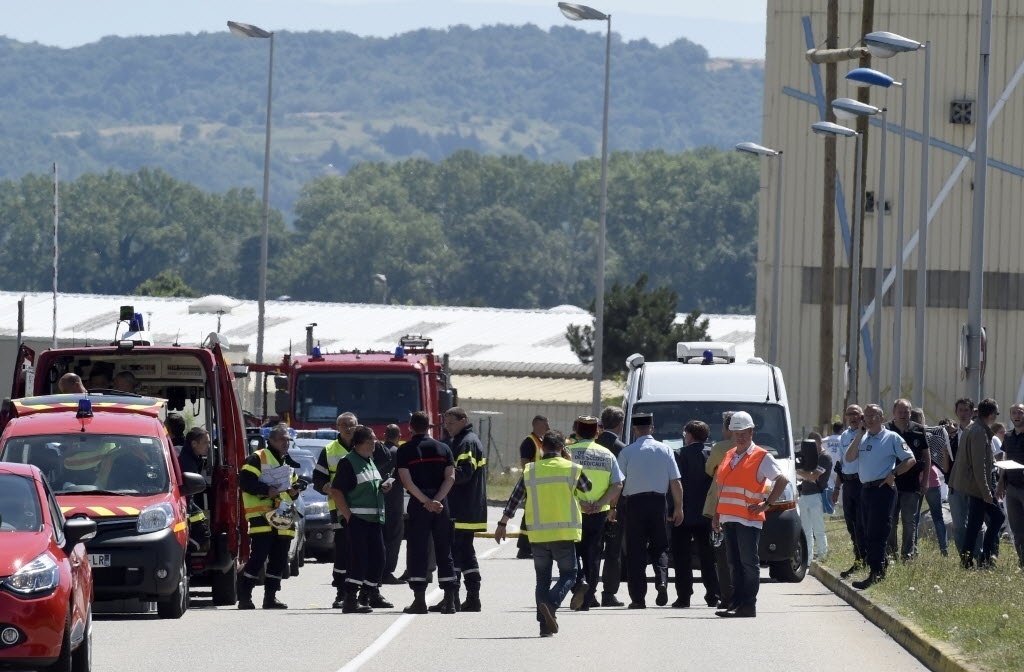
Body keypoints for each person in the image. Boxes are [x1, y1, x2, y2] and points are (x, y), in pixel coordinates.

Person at [494, 430, 592, 637]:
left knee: (542, 579)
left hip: (537, 535)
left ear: (542, 448)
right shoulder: (571, 468)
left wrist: (503, 523)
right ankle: (551, 604)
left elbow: (515, 498)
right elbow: (587, 487)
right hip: (563, 533)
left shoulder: (531, 470)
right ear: (562, 447)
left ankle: (544, 627)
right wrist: (570, 460)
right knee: (569, 574)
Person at [712, 411, 790, 617]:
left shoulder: (762, 456)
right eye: (737, 432)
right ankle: (736, 603)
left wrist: (767, 504)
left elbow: (782, 480)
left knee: (748, 564)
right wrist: (717, 514)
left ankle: (748, 605)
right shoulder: (729, 455)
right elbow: (722, 487)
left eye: (744, 432)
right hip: (728, 518)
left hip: (748, 519)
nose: (740, 436)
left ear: (752, 431)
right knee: (734, 565)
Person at [843, 405, 916, 589]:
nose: (867, 419)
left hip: (883, 489)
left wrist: (894, 473)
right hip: (865, 490)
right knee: (866, 530)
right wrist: (859, 434)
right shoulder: (863, 437)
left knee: (878, 531)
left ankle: (876, 572)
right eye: (865, 416)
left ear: (881, 417)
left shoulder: (891, 437)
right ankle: (877, 567)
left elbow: (910, 459)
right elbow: (849, 458)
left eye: (872, 416)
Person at [617, 412, 683, 609]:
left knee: (635, 551)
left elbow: (618, 483)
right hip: (658, 503)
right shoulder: (665, 450)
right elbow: (675, 481)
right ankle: (661, 581)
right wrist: (679, 508)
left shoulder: (627, 452)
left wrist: (612, 506)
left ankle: (638, 599)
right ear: (652, 429)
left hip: (635, 504)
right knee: (660, 546)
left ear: (635, 430)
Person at [397, 410, 457, 614]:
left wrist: (424, 501)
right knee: (444, 549)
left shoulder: (405, 450)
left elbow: (406, 480)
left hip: (419, 504)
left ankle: (419, 601)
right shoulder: (444, 448)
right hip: (441, 504)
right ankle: (449, 600)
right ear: (429, 427)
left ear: (410, 427)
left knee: (418, 550)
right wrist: (437, 500)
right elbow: (450, 478)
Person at [237, 423, 301, 610]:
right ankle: (245, 597)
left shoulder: (286, 462)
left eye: (288, 440)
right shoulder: (257, 458)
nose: (286, 443)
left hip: (282, 515)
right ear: (271, 440)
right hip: (261, 515)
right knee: (258, 557)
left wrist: (295, 492)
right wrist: (266, 490)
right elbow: (245, 482)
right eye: (282, 439)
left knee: (280, 558)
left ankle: (270, 597)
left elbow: (290, 490)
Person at [330, 425, 393, 613]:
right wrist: (349, 516)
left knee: (378, 559)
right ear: (364, 442)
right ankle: (350, 599)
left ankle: (366, 594)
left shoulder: (369, 461)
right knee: (358, 560)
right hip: (358, 520)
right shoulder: (348, 462)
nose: (376, 443)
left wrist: (382, 487)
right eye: (373, 439)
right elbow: (336, 491)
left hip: (374, 520)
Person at [567, 415, 623, 612]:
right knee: (593, 555)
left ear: (577, 432)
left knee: (571, 553)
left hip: (574, 510)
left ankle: (578, 584)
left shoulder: (567, 452)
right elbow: (617, 484)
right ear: (597, 432)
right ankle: (588, 598)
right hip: (599, 513)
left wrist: (580, 502)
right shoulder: (607, 454)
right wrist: (600, 503)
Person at [950, 398, 1004, 569]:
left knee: (974, 524)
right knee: (997, 517)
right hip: (978, 487)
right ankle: (985, 557)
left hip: (974, 486)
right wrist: (987, 492)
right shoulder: (979, 432)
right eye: (995, 413)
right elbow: (979, 465)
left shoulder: (974, 428)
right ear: (991, 414)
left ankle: (968, 560)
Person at [442, 406, 487, 612]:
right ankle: (469, 597)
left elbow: (464, 473)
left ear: (463, 420)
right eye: (446, 423)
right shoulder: (464, 440)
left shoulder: (466, 442)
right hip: (467, 508)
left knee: (458, 553)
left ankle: (457, 597)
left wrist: (443, 474)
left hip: (462, 508)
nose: (447, 427)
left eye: (451, 423)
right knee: (464, 553)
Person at [671, 420, 720, 608]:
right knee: (708, 557)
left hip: (682, 513)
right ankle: (713, 595)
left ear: (689, 436)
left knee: (682, 558)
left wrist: (673, 510)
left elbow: (674, 483)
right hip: (707, 513)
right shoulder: (711, 454)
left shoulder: (679, 455)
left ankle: (684, 596)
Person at [312, 413, 356, 608]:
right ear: (337, 427)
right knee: (344, 550)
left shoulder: (365, 445)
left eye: (352, 425)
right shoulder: (329, 450)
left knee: (366, 549)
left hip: (364, 507)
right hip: (338, 508)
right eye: (344, 425)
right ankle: (341, 592)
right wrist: (325, 487)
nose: (348, 428)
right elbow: (318, 479)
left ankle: (369, 591)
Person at [885, 398, 930, 561]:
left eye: (907, 411)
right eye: (900, 412)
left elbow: (926, 455)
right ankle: (890, 553)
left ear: (911, 412)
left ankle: (908, 554)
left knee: (909, 521)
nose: (903, 415)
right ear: (894, 412)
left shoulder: (918, 430)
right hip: (890, 483)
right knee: (891, 520)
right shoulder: (886, 430)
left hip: (912, 484)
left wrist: (925, 480)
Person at [702, 411, 735, 608]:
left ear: (728, 428)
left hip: (720, 507)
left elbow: (709, 469)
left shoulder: (720, 447)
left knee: (721, 555)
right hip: (745, 508)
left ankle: (727, 595)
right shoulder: (753, 448)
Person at [595, 405, 627, 607]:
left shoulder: (592, 445)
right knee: (613, 553)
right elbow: (621, 482)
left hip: (591, 506)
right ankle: (608, 594)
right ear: (620, 424)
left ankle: (589, 592)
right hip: (614, 508)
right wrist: (613, 506)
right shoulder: (622, 449)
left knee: (592, 551)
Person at [832, 405, 867, 579]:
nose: (853, 417)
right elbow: (841, 465)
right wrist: (837, 488)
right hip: (848, 483)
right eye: (850, 414)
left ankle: (863, 560)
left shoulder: (866, 433)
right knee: (851, 523)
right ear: (845, 417)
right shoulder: (844, 436)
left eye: (856, 414)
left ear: (862, 416)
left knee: (862, 524)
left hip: (862, 483)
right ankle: (859, 557)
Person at [911, 408, 950, 557]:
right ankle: (944, 549)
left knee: (914, 518)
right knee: (938, 517)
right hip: (933, 479)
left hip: (916, 480)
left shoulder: (910, 435)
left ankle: (913, 549)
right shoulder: (931, 435)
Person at [516, 415, 549, 559]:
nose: (547, 428)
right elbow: (525, 464)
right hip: (533, 484)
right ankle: (524, 548)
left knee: (535, 516)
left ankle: (530, 546)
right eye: (544, 425)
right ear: (536, 425)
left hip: (540, 485)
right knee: (529, 516)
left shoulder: (541, 442)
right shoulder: (529, 442)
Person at [996, 403, 1024, 568]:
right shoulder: (1008, 437)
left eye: (1020, 412)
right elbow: (1004, 460)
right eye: (1014, 413)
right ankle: (1022, 562)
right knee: (1017, 528)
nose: (1017, 415)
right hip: (1012, 487)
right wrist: (1000, 482)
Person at [797, 432, 831, 561]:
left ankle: (823, 555)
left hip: (816, 495)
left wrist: (797, 471)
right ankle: (808, 558)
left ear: (819, 442)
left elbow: (813, 476)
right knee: (806, 531)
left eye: (812, 444)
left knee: (818, 529)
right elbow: (807, 475)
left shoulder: (824, 457)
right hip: (804, 494)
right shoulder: (810, 456)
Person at [381, 423, 406, 584]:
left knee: (380, 537)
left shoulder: (377, 451)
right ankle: (387, 571)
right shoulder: (399, 453)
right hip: (394, 502)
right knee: (393, 538)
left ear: (384, 435)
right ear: (399, 437)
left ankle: (377, 569)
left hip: (378, 501)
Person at [823, 421, 845, 513]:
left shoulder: (824, 440)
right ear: (842, 429)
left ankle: (831, 509)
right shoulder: (844, 440)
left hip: (828, 469)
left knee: (830, 489)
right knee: (841, 489)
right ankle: (842, 510)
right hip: (841, 468)